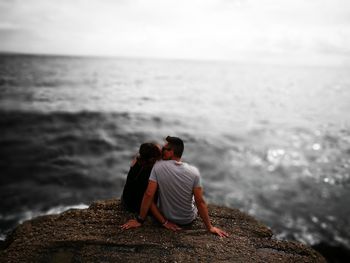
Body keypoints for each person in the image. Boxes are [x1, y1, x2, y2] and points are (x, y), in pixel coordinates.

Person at [121, 136, 229, 237]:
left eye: (164, 149)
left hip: (135, 204)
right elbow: (200, 202)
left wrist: (141, 220)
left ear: (171, 152)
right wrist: (209, 227)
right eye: (161, 149)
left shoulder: (150, 164)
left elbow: (148, 194)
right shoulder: (193, 172)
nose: (162, 151)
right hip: (187, 218)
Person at [121, 142, 161, 213]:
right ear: (152, 159)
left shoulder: (136, 160)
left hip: (125, 201)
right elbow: (149, 195)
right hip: (137, 208)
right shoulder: (151, 172)